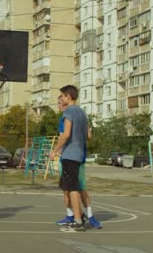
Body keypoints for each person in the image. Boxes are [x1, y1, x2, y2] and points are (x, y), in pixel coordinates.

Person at [54, 96, 102, 229]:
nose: (58, 105)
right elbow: (63, 136)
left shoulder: (72, 114)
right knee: (66, 189)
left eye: (60, 102)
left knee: (79, 188)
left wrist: (54, 151)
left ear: (66, 101)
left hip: (73, 157)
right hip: (69, 155)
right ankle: (71, 215)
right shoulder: (67, 117)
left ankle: (87, 216)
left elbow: (67, 135)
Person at [49, 85, 88, 233]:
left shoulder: (69, 111)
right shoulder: (82, 113)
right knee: (73, 187)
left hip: (70, 155)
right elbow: (86, 135)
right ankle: (80, 216)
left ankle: (77, 222)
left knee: (72, 189)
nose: (62, 99)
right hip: (78, 154)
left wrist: (54, 151)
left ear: (68, 97)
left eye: (63, 96)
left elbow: (65, 135)